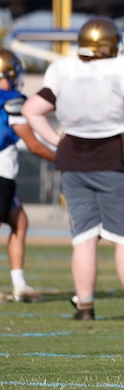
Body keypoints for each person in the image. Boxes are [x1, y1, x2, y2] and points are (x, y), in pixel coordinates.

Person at [21, 16, 124, 323]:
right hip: (111, 159)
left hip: (72, 161)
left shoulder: (63, 69)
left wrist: (58, 141)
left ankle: (84, 307)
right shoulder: (122, 68)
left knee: (83, 237)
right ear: (111, 45)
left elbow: (31, 110)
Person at [0, 48, 57, 302]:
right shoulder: (11, 101)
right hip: (0, 176)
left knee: (19, 221)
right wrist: (63, 158)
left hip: (4, 177)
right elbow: (33, 144)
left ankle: (19, 284)